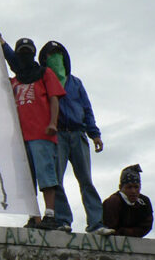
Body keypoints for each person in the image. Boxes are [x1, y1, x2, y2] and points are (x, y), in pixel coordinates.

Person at [38, 41, 114, 235]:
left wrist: (94, 134)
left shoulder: (76, 83)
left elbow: (87, 109)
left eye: (58, 54)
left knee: (86, 180)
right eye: (50, 55)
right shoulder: (43, 82)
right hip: (57, 135)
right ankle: (62, 220)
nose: (55, 58)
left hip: (78, 133)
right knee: (57, 180)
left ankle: (96, 223)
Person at [0, 35, 66, 230]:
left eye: (28, 53)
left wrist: (53, 123)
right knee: (26, 179)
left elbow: (54, 99)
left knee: (46, 175)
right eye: (21, 53)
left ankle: (50, 214)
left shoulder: (45, 74)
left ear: (34, 54)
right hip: (21, 138)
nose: (24, 57)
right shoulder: (14, 81)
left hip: (41, 134)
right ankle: (33, 217)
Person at [102, 164, 153, 237]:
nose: (133, 191)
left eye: (136, 187)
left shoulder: (144, 202)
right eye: (129, 187)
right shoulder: (112, 202)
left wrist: (129, 232)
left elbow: (146, 226)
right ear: (120, 187)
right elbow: (111, 229)